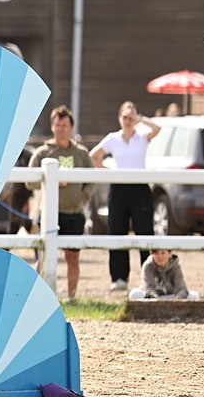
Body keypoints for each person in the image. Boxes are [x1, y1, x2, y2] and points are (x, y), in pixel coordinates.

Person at [90, 101, 161, 291]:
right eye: (125, 117)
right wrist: (110, 171)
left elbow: (158, 128)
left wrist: (140, 119)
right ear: (119, 118)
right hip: (119, 188)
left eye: (131, 117)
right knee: (117, 232)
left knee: (145, 232)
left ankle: (150, 278)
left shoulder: (143, 137)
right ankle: (119, 278)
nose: (128, 120)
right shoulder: (113, 138)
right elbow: (93, 157)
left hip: (140, 189)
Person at [29, 105, 95, 299]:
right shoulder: (42, 153)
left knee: (72, 257)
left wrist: (82, 197)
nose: (61, 129)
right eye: (58, 125)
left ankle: (72, 297)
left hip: (74, 213)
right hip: (49, 213)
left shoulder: (82, 154)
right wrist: (52, 182)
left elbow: (92, 180)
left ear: (71, 127)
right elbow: (29, 182)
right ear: (52, 127)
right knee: (43, 256)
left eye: (64, 125)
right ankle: (36, 297)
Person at [129, 249, 200, 300]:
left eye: (163, 253)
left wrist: (177, 299)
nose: (160, 256)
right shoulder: (148, 265)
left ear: (169, 254)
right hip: (152, 298)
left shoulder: (175, 266)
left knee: (194, 295)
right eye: (156, 253)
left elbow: (181, 288)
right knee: (134, 293)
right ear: (151, 253)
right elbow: (148, 288)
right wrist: (157, 300)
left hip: (171, 297)